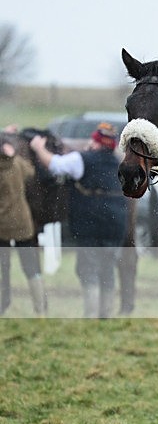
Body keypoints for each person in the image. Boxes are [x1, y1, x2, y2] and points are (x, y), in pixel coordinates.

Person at [30, 123, 128, 318]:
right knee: (108, 269)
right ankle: (106, 315)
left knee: (88, 268)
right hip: (116, 223)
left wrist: (39, 148)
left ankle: (91, 315)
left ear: (97, 142)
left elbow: (55, 165)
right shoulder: (121, 162)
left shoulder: (81, 159)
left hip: (90, 223)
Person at [0, 134, 47, 315]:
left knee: (3, 269)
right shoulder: (17, 164)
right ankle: (40, 309)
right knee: (31, 268)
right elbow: (31, 171)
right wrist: (14, 155)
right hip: (22, 224)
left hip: (1, 227)